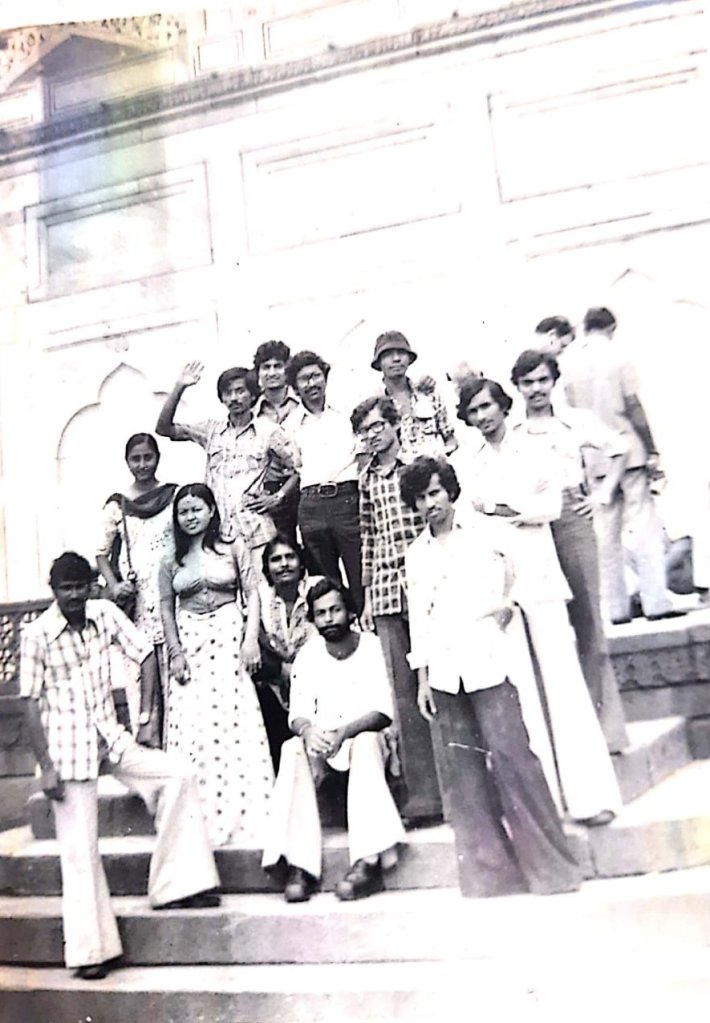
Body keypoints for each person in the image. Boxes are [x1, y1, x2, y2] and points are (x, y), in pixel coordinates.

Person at [20, 552, 221, 981]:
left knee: (178, 776)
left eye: (81, 587)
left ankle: (177, 885)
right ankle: (90, 951)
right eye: (66, 588)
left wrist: (146, 717)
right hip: (66, 752)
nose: (74, 596)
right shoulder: (37, 635)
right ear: (53, 591)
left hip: (112, 738)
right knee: (80, 850)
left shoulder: (104, 614)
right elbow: (30, 705)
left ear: (92, 586)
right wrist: (46, 766)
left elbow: (145, 653)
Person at [400, 458, 582, 897]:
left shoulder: (483, 532)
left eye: (435, 493)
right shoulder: (416, 554)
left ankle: (551, 872)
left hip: (489, 660)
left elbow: (523, 572)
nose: (429, 504)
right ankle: (490, 877)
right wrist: (423, 678)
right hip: (445, 673)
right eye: (420, 498)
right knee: (463, 775)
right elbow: (418, 619)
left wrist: (509, 603)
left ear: (450, 491)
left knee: (513, 758)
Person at [455, 377, 621, 825]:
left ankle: (589, 798)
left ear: (502, 406)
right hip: (499, 584)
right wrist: (505, 511)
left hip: (541, 576)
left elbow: (550, 507)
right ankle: (544, 805)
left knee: (562, 682)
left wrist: (502, 508)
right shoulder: (467, 462)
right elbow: (469, 517)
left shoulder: (532, 447)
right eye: (474, 410)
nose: (483, 416)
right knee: (522, 690)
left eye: (487, 406)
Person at [510, 350, 628, 752]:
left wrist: (602, 493)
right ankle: (562, 733)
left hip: (572, 519)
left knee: (588, 620)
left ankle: (605, 731)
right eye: (528, 382)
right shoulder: (513, 431)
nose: (536, 389)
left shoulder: (575, 421)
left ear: (553, 381)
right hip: (532, 527)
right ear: (517, 386)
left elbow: (619, 447)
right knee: (546, 624)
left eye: (542, 380)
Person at [262, 578, 405, 902]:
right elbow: (297, 713)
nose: (328, 619)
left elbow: (383, 711)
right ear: (313, 619)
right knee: (291, 748)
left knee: (365, 742)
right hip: (325, 746)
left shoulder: (372, 646)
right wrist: (309, 731)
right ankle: (301, 865)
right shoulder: (308, 655)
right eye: (321, 613)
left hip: (368, 742)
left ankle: (368, 862)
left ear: (350, 612)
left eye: (335, 610)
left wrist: (344, 733)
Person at [159, 483, 273, 847]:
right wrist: (175, 652)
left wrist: (250, 639)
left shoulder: (232, 546)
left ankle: (245, 817)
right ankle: (199, 822)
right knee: (195, 726)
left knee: (232, 719)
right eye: (183, 512)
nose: (190, 517)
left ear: (211, 511)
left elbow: (252, 593)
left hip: (228, 635)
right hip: (190, 640)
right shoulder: (171, 558)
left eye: (197, 509)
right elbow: (166, 607)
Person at [351, 394, 442, 824]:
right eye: (365, 430)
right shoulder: (366, 478)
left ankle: (458, 788)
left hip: (428, 583)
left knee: (441, 681)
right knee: (404, 696)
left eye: (377, 426)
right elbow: (368, 538)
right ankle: (425, 797)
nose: (372, 435)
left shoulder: (417, 467)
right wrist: (368, 596)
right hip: (388, 592)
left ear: (394, 424)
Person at [561, 306, 676, 623]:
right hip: (630, 450)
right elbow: (633, 406)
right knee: (643, 527)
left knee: (606, 536)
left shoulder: (569, 365)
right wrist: (652, 448)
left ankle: (615, 608)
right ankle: (655, 602)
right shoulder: (619, 356)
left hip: (595, 458)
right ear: (611, 327)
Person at [156, 361, 300, 576]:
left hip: (257, 533)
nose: (234, 398)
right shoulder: (211, 430)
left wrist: (277, 497)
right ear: (222, 398)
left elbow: (299, 468)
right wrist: (180, 387)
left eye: (240, 391)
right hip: (218, 535)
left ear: (252, 395)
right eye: (228, 393)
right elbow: (163, 428)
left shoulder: (269, 431)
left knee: (263, 589)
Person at [96, 432, 177, 738]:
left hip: (172, 595)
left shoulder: (173, 496)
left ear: (158, 458)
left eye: (148, 457)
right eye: (136, 459)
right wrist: (115, 586)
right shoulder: (117, 505)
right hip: (139, 599)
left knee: (175, 672)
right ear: (127, 462)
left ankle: (179, 748)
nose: (143, 464)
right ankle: (147, 741)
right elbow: (101, 553)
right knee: (140, 671)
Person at [284, 350, 363, 611]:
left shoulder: (347, 414)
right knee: (325, 583)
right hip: (312, 506)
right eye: (304, 379)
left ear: (325, 378)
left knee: (359, 573)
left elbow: (362, 456)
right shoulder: (289, 426)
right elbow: (293, 467)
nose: (311, 383)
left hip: (347, 500)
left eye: (316, 376)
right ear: (295, 387)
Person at [254, 534, 319, 770]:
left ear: (301, 562)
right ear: (267, 568)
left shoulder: (317, 588)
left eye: (290, 557)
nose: (283, 564)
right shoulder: (260, 599)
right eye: (276, 559)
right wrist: (280, 668)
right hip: (279, 684)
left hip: (318, 679)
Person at [371, 331, 458, 461]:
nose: (396, 359)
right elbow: (365, 455)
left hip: (433, 468)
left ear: (409, 359)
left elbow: (451, 439)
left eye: (401, 353)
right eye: (388, 354)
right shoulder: (373, 406)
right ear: (379, 363)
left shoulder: (428, 393)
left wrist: (442, 456)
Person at [252, 340, 301, 545]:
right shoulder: (253, 412)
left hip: (303, 484)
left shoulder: (301, 404)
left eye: (278, 366)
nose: (272, 373)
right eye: (266, 367)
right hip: (269, 491)